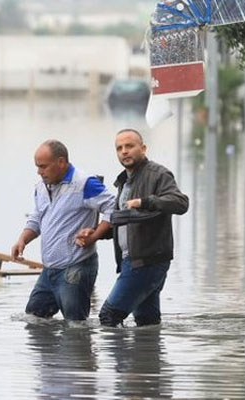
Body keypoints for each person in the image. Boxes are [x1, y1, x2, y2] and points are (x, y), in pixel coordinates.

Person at [79, 129, 188, 327]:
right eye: (119, 148)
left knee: (109, 316)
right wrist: (95, 233)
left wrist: (145, 202)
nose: (124, 152)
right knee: (147, 322)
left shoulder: (158, 174)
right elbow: (124, 222)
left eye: (129, 146)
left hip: (146, 262)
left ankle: (119, 358)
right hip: (133, 259)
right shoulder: (124, 182)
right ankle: (145, 357)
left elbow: (180, 203)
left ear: (143, 148)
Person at [11, 139, 115, 321]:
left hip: (76, 268)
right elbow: (37, 218)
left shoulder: (84, 183)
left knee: (75, 327)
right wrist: (22, 240)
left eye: (43, 166)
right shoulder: (41, 187)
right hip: (49, 269)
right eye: (37, 167)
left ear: (61, 162)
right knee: (33, 319)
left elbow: (113, 208)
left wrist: (95, 235)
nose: (39, 172)